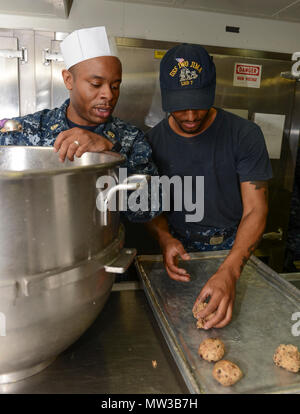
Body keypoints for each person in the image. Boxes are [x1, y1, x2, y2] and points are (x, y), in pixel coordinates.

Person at [146, 43, 273, 329]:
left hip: (234, 247)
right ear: (166, 97)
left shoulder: (245, 135)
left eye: (199, 103)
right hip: (180, 252)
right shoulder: (152, 143)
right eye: (180, 106)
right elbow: (150, 206)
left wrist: (229, 271)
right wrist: (164, 238)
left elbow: (255, 209)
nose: (191, 116)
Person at [0, 26, 158, 223]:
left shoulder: (131, 138)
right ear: (68, 79)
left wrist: (114, 154)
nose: (108, 95)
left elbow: (148, 209)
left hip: (102, 247)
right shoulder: (27, 131)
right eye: (96, 84)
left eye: (115, 86)